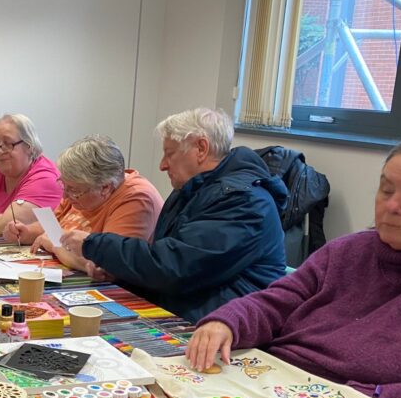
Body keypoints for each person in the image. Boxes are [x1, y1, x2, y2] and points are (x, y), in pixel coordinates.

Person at [188, 135, 401, 398]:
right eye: (386, 190)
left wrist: (365, 397)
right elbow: (277, 301)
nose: (393, 205)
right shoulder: (346, 251)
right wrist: (227, 322)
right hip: (273, 381)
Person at [62, 108, 286, 322]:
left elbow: (173, 268)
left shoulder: (243, 201)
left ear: (201, 148)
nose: (162, 165)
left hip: (218, 326)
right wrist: (119, 273)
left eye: (169, 154)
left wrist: (95, 245)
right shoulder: (192, 191)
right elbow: (164, 262)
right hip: (183, 309)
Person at [2, 135, 163, 272]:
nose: (65, 195)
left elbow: (104, 265)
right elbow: (53, 227)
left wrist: (55, 245)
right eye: (63, 185)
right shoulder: (81, 190)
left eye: (73, 189)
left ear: (105, 187)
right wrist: (26, 232)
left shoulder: (137, 199)